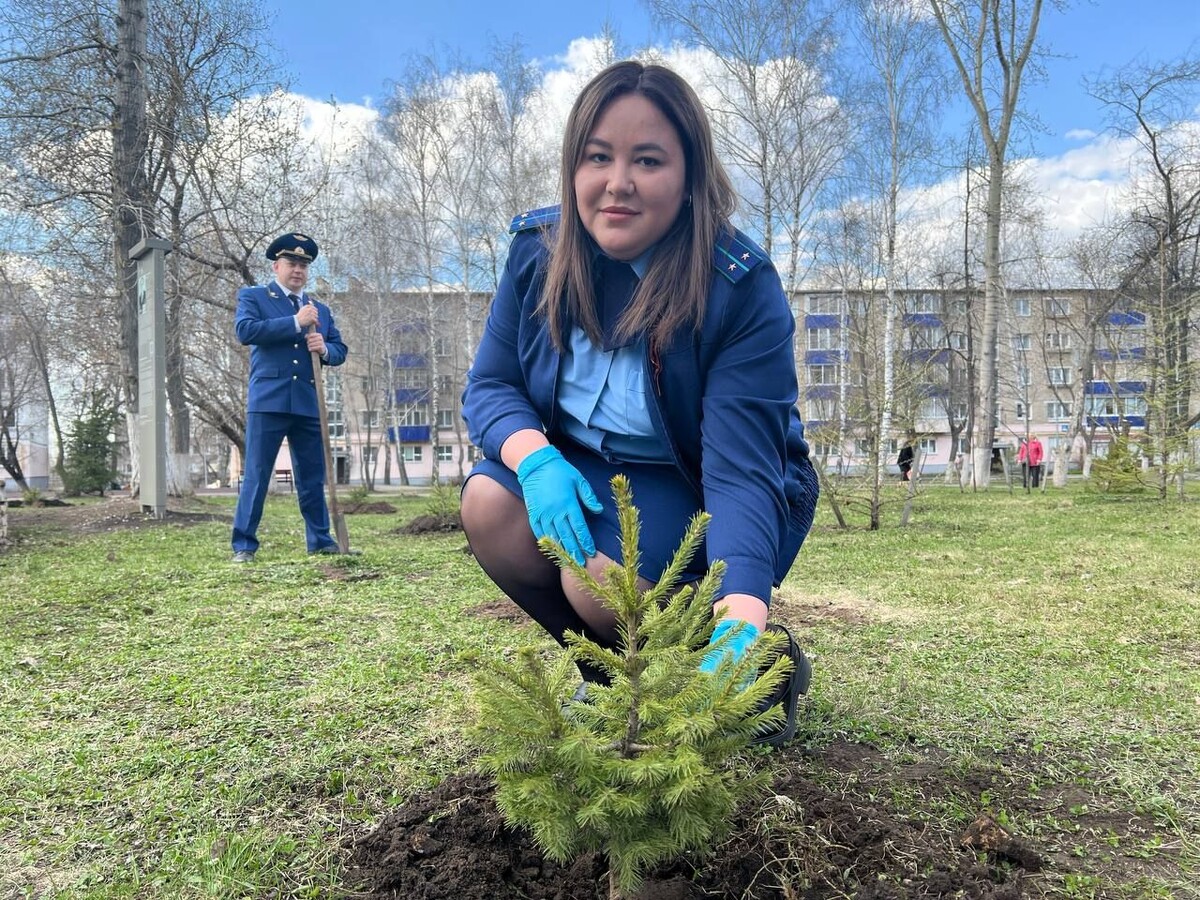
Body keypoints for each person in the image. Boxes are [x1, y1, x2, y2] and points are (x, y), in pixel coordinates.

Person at [460, 61, 819, 746]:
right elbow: (492, 386)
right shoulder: (537, 256)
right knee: (489, 504)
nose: (617, 183)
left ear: (688, 179)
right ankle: (612, 683)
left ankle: (762, 667)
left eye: (647, 160)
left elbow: (742, 474)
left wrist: (742, 615)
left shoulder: (737, 289)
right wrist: (533, 458)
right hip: (580, 465)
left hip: (700, 482)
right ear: (574, 167)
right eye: (598, 157)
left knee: (595, 586)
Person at [230, 232, 348, 562]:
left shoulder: (319, 309)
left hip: (308, 404)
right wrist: (295, 323)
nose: (298, 270)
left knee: (312, 476)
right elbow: (246, 331)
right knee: (257, 473)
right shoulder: (255, 297)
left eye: (303, 265)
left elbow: (340, 350)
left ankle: (320, 540)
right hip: (268, 400)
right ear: (276, 266)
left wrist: (325, 348)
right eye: (291, 264)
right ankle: (244, 544)